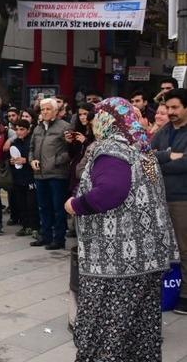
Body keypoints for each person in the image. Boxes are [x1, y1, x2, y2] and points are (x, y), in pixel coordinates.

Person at [68, 97, 179, 361]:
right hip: (148, 257)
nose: (93, 123)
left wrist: (75, 205)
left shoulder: (112, 150)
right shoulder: (142, 149)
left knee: (109, 325)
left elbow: (110, 192)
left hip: (116, 261)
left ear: (108, 120)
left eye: (97, 117)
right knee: (139, 324)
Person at [150, 88, 187, 315]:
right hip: (159, 198)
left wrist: (161, 162)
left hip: (182, 199)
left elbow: (185, 164)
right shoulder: (163, 131)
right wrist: (168, 156)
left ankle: (185, 295)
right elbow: (147, 159)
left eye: (175, 107)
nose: (171, 112)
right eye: (168, 108)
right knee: (159, 246)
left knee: (185, 248)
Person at [29, 98, 71, 250]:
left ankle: (59, 239)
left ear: (55, 111)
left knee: (58, 208)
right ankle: (45, 236)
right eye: (42, 109)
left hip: (57, 174)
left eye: (48, 109)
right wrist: (32, 160)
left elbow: (70, 151)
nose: (45, 112)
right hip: (40, 174)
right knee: (43, 206)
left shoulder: (65, 126)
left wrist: (55, 161)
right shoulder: (38, 128)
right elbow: (31, 148)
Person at [9, 119, 39, 237]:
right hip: (18, 177)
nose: (19, 132)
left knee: (32, 204)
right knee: (21, 203)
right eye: (17, 129)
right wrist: (12, 161)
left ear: (28, 130)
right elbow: (12, 157)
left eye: (22, 129)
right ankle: (25, 226)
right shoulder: (15, 142)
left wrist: (26, 160)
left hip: (31, 178)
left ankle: (35, 227)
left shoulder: (32, 142)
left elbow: (37, 158)